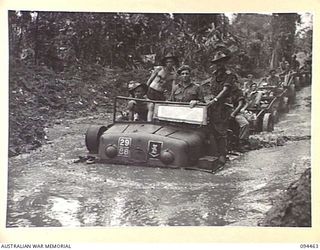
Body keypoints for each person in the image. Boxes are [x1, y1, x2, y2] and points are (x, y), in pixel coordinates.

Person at [206, 50, 238, 165]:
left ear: (225, 62)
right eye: (217, 62)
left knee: (221, 130)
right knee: (209, 127)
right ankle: (212, 151)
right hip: (214, 105)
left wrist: (215, 100)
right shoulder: (214, 75)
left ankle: (222, 154)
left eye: (221, 62)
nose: (219, 64)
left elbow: (225, 90)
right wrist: (210, 99)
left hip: (224, 105)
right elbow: (211, 89)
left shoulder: (229, 75)